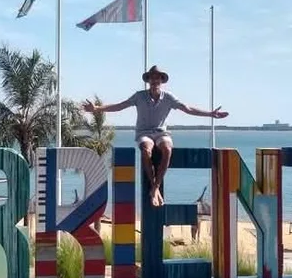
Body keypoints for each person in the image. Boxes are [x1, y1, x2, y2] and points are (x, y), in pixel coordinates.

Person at [82, 65, 229, 208]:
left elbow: (187, 109)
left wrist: (210, 114)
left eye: (157, 78)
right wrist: (97, 109)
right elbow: (120, 106)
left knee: (167, 149)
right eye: (152, 78)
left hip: (161, 133)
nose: (155, 81)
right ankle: (154, 188)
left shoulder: (168, 97)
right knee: (146, 150)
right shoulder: (139, 96)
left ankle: (155, 187)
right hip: (144, 133)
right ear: (148, 81)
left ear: (161, 81)